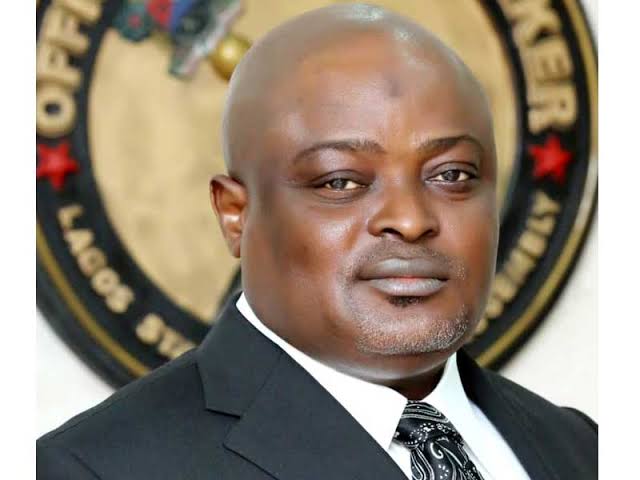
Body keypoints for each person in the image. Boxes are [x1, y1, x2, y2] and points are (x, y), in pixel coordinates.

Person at [37, 4, 597, 479]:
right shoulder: (92, 469)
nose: (410, 220)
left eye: (451, 175)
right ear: (235, 215)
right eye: (340, 182)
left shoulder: (582, 448)